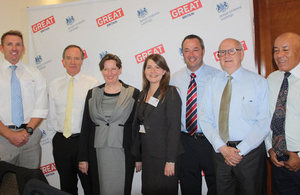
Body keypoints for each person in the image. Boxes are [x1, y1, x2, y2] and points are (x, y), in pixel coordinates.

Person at [200, 38, 270, 195]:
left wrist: (241, 150)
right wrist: (222, 148)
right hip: (221, 152)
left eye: (232, 51)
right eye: (222, 52)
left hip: (249, 153)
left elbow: (264, 121)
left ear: (242, 54)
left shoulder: (258, 82)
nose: (226, 55)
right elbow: (204, 118)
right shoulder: (212, 83)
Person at [78, 54, 140, 195]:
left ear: (120, 70)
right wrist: (83, 157)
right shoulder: (92, 94)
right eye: (106, 69)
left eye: (113, 69)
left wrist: (138, 157)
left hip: (123, 152)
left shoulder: (133, 93)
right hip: (97, 152)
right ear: (101, 71)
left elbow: (136, 128)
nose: (110, 73)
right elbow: (86, 126)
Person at [170, 34, 219, 195]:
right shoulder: (174, 79)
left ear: (203, 51)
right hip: (185, 142)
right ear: (182, 53)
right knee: (188, 187)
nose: (191, 55)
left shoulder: (217, 76)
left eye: (195, 50)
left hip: (211, 141)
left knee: (216, 185)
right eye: (186, 50)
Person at [48, 45, 99, 195]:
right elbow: (51, 115)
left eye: (77, 58)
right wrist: (54, 141)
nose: (73, 62)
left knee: (90, 186)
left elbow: (95, 118)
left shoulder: (92, 84)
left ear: (82, 61)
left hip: (83, 143)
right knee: (67, 187)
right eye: (69, 58)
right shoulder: (54, 84)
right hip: (61, 142)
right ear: (63, 61)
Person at [132, 54, 183, 195]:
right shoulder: (142, 94)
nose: (153, 71)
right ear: (144, 71)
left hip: (165, 157)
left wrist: (171, 161)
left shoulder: (170, 92)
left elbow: (174, 128)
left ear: (164, 71)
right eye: (149, 67)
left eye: (157, 67)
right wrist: (138, 157)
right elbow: (139, 127)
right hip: (148, 157)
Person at [0, 30, 47, 169]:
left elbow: (41, 107)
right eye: (9, 44)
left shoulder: (35, 74)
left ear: (23, 48)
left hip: (30, 139)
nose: (14, 48)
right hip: (3, 138)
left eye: (18, 44)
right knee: (5, 186)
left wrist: (27, 132)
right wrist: (9, 134)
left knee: (30, 183)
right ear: (1, 48)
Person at [265, 32, 300, 194]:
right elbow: (266, 117)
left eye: (285, 50)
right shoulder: (271, 79)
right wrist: (270, 148)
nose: (279, 55)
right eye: (276, 50)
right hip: (279, 161)